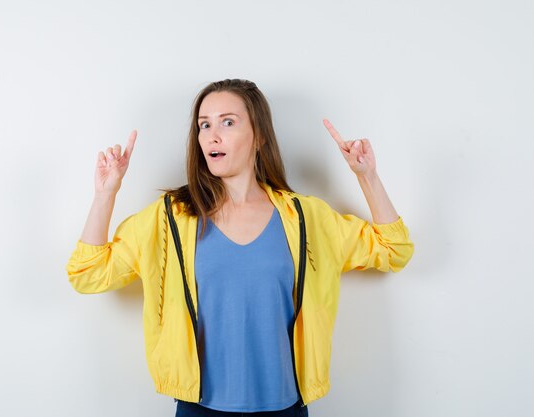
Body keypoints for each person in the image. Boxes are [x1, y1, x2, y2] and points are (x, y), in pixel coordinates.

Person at [65, 79, 414, 417]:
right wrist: (105, 193)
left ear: (259, 135)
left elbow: (393, 249)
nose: (212, 135)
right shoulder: (170, 218)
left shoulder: (306, 219)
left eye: (227, 122)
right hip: (198, 410)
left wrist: (366, 176)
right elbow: (88, 273)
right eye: (204, 125)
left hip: (286, 408)